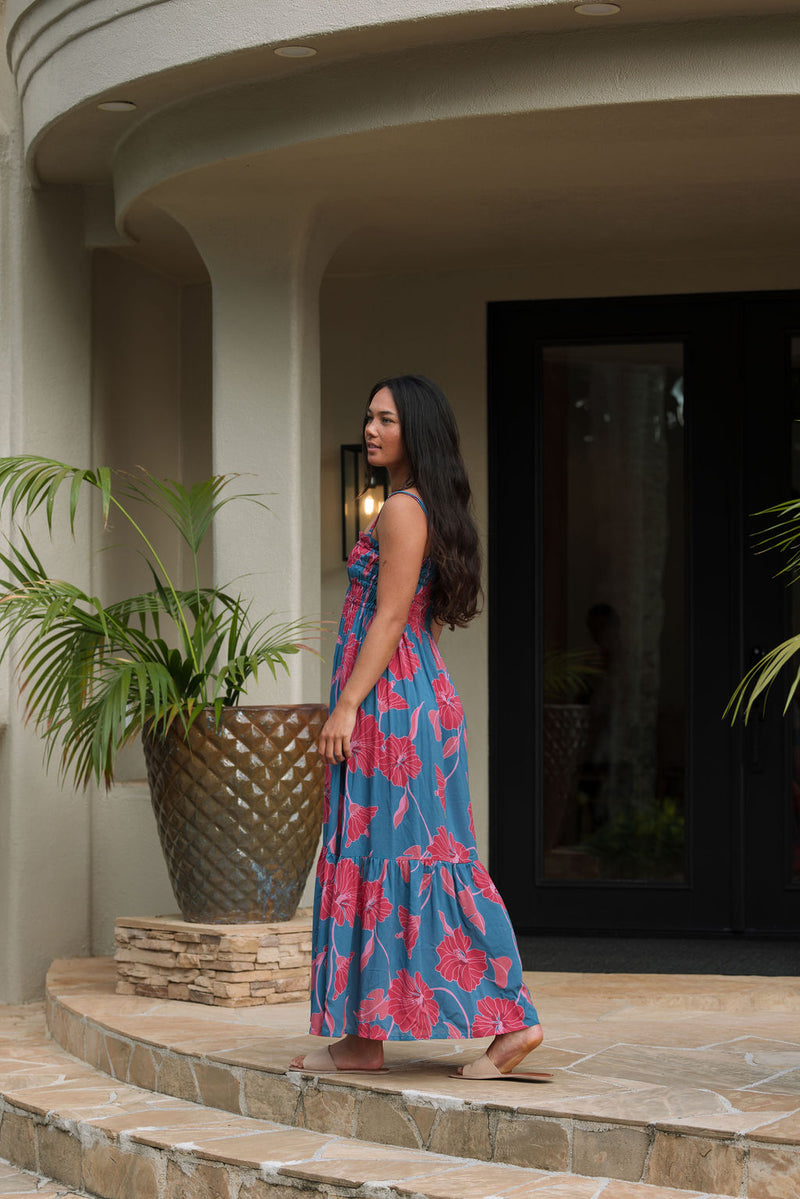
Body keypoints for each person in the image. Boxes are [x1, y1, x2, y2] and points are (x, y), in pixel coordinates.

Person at [290, 375, 547, 1081]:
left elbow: (392, 616)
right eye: (368, 417)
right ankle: (363, 1037)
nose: (371, 430)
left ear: (416, 432)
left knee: (425, 860)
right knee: (378, 857)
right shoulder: (410, 504)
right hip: (399, 700)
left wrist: (345, 704)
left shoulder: (404, 509)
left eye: (386, 420)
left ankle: (515, 1022)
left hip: (395, 708)